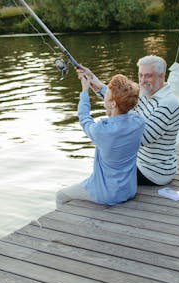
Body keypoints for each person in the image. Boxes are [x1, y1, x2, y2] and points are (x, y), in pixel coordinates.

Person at [83, 55, 179, 186]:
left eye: (148, 76)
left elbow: (139, 138)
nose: (142, 80)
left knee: (103, 173)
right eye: (140, 75)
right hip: (138, 163)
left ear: (162, 76)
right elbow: (121, 101)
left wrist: (103, 133)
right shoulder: (146, 94)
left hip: (154, 172)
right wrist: (93, 80)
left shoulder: (168, 104)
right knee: (103, 168)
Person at [55, 71, 144, 208]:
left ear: (113, 103)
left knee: (61, 195)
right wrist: (97, 85)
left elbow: (84, 118)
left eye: (107, 95)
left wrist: (84, 90)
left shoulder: (102, 131)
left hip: (106, 193)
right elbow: (124, 106)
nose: (105, 98)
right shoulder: (138, 122)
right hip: (129, 190)